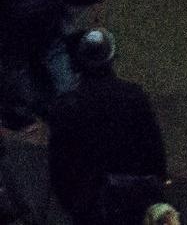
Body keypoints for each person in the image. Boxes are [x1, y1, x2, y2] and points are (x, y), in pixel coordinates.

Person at [44, 28, 164, 225]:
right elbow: (153, 145)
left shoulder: (66, 106)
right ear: (112, 58)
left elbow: (59, 164)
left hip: (88, 201)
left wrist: (71, 203)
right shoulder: (133, 96)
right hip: (132, 196)